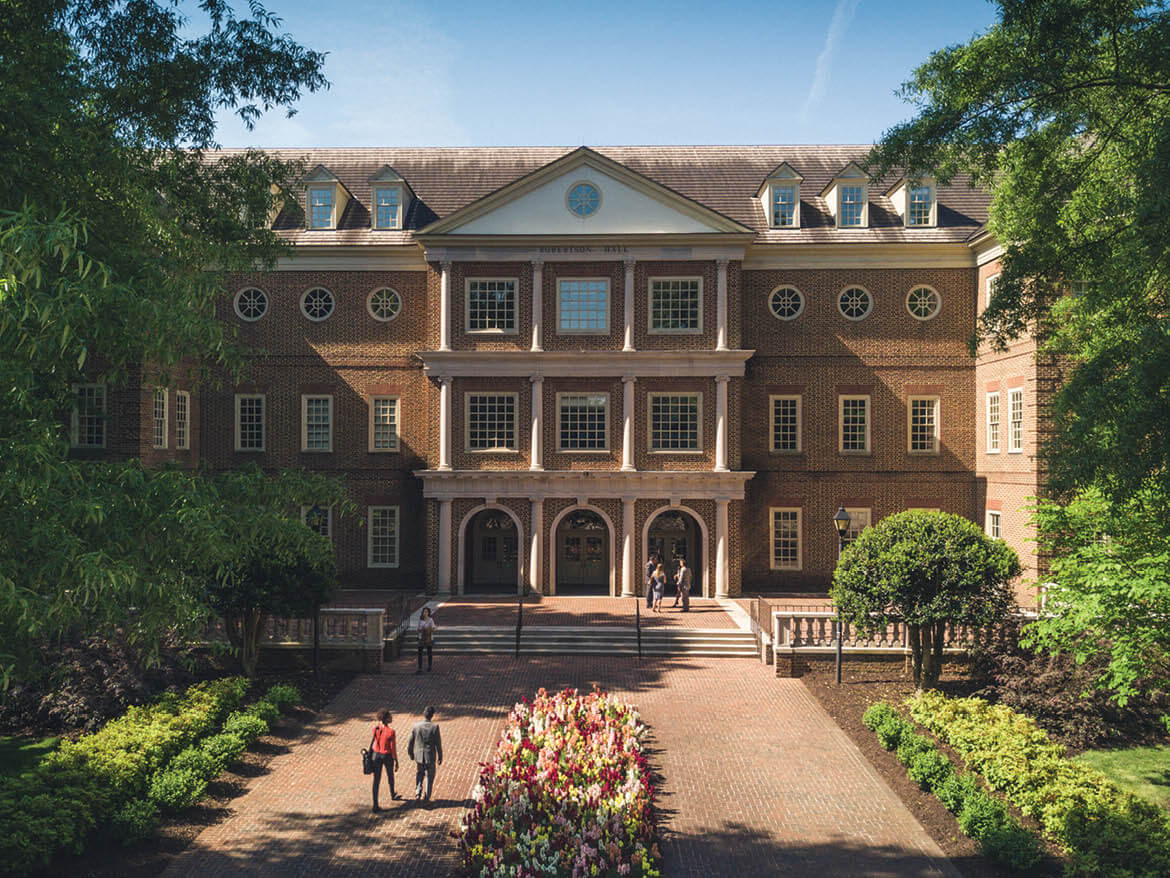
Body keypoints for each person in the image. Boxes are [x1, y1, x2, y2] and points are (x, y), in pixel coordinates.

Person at [408, 705, 443, 802]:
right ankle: (426, 797)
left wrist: (410, 753)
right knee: (429, 776)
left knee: (419, 773)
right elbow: (438, 744)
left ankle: (417, 793)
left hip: (419, 756)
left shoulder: (416, 726)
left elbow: (411, 741)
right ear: (432, 715)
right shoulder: (435, 727)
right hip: (430, 756)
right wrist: (440, 756)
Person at [368, 709, 399, 811]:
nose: (391, 718)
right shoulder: (391, 732)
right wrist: (396, 760)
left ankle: (375, 805)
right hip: (387, 755)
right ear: (386, 719)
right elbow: (393, 748)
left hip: (376, 755)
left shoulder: (375, 729)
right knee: (390, 775)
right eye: (390, 716)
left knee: (376, 780)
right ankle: (392, 793)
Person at [417, 606, 435, 673]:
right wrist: (420, 629)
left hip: (429, 638)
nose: (425, 613)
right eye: (424, 611)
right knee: (420, 653)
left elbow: (434, 628)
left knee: (429, 653)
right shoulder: (420, 620)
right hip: (421, 638)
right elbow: (418, 629)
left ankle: (429, 667)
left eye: (426, 612)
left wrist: (428, 629)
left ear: (428, 613)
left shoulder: (431, 620)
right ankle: (420, 668)